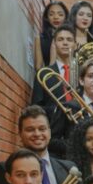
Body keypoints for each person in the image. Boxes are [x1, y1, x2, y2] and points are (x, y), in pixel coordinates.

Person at [31, 24, 76, 156]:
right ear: (54, 44)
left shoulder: (83, 74)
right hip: (54, 136)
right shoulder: (44, 73)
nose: (65, 43)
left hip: (77, 131)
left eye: (69, 40)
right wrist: (57, 110)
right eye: (61, 39)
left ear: (75, 44)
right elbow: (36, 107)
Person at [35, 0, 69, 70]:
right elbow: (38, 67)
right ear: (47, 17)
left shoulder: (71, 38)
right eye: (51, 14)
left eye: (60, 14)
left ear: (66, 17)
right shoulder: (40, 39)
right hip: (48, 74)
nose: (56, 17)